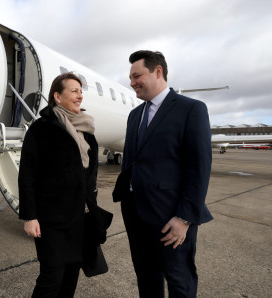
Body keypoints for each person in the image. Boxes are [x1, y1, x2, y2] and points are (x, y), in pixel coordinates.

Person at [113, 50, 213, 298]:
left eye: (137, 76)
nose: (132, 82)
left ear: (158, 72)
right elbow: (131, 161)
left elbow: (199, 168)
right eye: (130, 77)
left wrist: (185, 218)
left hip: (171, 218)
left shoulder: (191, 109)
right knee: (146, 277)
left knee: (179, 279)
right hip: (136, 214)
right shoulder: (135, 114)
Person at [18, 73, 99, 297]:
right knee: (51, 277)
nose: (80, 96)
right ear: (57, 96)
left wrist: (91, 205)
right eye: (74, 91)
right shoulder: (41, 129)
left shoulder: (87, 130)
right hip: (50, 219)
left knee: (71, 274)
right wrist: (29, 216)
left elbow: (90, 176)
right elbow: (26, 175)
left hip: (79, 218)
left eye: (81, 91)